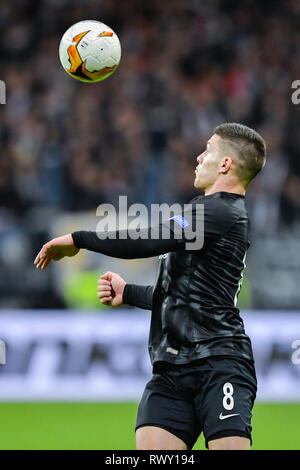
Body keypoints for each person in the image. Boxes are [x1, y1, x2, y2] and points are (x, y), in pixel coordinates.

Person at [34, 122, 266, 450]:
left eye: (208, 149)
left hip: (220, 364)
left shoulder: (222, 211)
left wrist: (80, 238)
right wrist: (128, 292)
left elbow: (150, 239)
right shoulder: (204, 213)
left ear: (226, 164)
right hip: (171, 367)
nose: (199, 157)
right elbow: (184, 296)